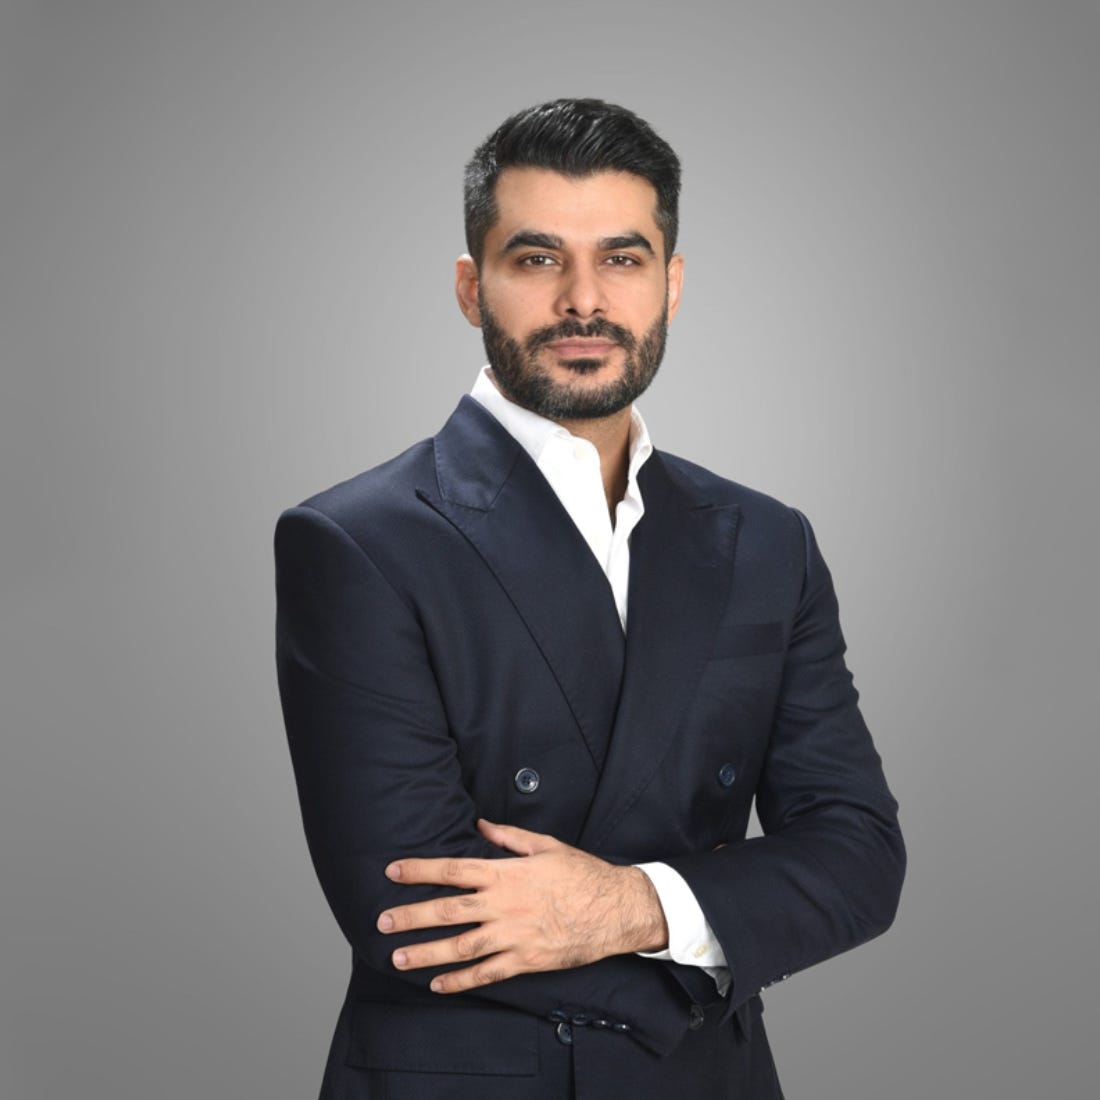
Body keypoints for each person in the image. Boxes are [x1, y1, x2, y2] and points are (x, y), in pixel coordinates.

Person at [275, 98, 905, 1099]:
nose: (583, 300)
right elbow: (413, 913)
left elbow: (859, 857)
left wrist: (626, 905)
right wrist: (716, 926)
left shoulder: (764, 540)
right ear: (470, 286)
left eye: (621, 258)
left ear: (670, 283)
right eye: (536, 259)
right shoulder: (359, 540)